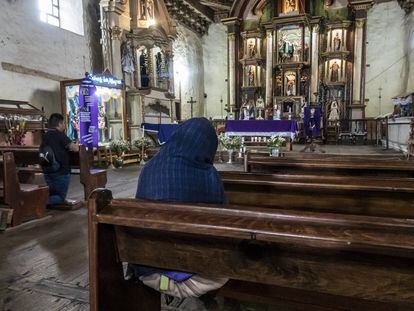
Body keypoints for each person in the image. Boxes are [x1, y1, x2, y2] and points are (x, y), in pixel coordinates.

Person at [129, 118, 228, 300]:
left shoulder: (149, 168)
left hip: (149, 271)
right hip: (201, 279)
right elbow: (223, 224)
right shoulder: (209, 175)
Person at [40, 113, 79, 206]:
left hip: (48, 170)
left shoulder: (46, 136)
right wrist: (76, 143)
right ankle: (39, 202)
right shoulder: (60, 135)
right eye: (64, 123)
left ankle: (44, 201)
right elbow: (75, 148)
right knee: (59, 197)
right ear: (60, 124)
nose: (65, 125)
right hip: (61, 171)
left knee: (52, 192)